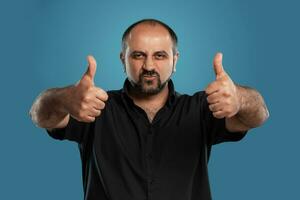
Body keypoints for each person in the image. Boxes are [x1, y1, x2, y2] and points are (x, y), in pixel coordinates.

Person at [30, 19, 269, 200]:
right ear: (122, 59)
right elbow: (40, 115)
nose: (149, 66)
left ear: (175, 61)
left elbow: (259, 115)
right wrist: (63, 99)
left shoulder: (201, 109)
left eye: (160, 56)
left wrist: (239, 98)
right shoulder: (95, 107)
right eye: (138, 55)